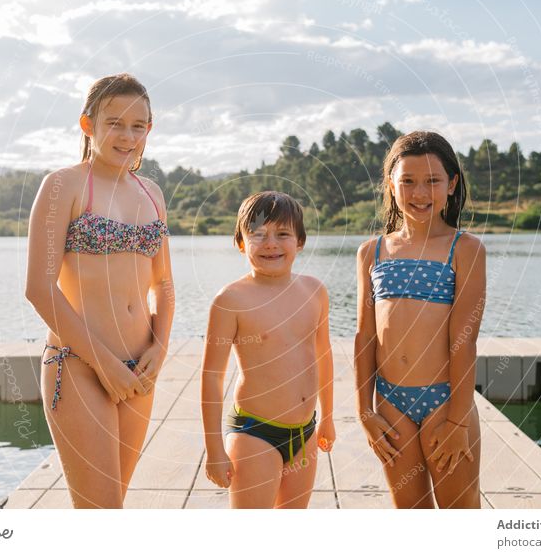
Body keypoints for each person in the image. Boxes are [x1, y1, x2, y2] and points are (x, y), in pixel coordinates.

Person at [25, 73, 174, 508]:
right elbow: (39, 288)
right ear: (88, 125)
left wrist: (159, 350)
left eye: (138, 125)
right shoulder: (64, 185)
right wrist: (104, 363)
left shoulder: (153, 193)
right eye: (114, 123)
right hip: (79, 367)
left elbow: (163, 284)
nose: (127, 136)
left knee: (112, 508)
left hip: (139, 368)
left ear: (150, 129)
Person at [354, 130, 485, 508]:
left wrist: (459, 420)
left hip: (445, 401)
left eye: (432, 181)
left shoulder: (465, 249)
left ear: (452, 184)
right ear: (391, 185)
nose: (420, 192)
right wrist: (364, 411)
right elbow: (365, 336)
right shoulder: (372, 252)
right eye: (407, 181)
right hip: (391, 403)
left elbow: (465, 340)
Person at [201, 191, 336, 508]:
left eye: (283, 234)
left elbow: (323, 357)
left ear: (300, 241)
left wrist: (328, 417)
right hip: (255, 433)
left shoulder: (314, 291)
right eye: (258, 235)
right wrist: (214, 450)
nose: (271, 243)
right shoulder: (230, 300)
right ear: (240, 243)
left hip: (305, 431)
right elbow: (211, 378)